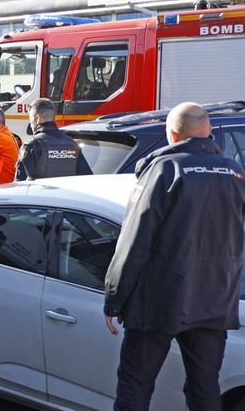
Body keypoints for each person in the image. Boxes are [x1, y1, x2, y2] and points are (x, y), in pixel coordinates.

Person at [104, 102, 245, 411]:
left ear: (172, 135)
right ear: (208, 132)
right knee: (204, 389)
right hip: (214, 302)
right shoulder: (236, 173)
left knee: (135, 389)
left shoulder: (163, 169)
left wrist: (114, 297)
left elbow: (135, 241)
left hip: (158, 302)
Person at [15, 98, 92, 180]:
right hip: (66, 192)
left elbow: (19, 184)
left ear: (37, 118)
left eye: (30, 121)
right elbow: (87, 178)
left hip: (38, 193)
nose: (30, 125)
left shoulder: (31, 146)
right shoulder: (72, 144)